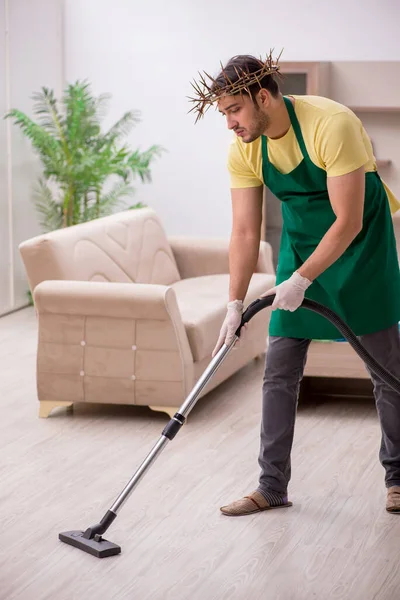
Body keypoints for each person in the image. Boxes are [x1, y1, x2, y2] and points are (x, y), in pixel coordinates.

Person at [189, 53, 400, 516]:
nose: (229, 123)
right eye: (223, 113)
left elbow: (347, 221)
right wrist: (233, 303)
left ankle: (398, 478)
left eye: (234, 110)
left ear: (262, 97)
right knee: (279, 369)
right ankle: (272, 485)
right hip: (303, 244)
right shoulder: (245, 146)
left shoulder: (331, 123)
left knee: (387, 369)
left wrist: (303, 280)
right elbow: (245, 232)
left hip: (361, 247)